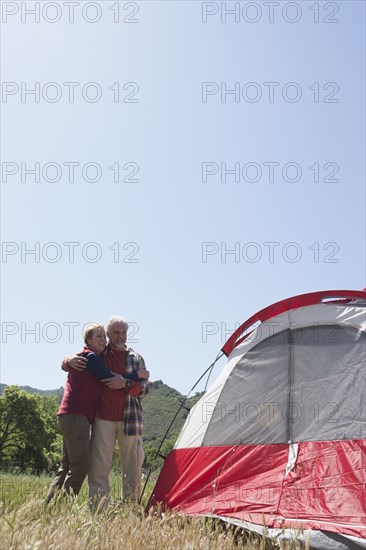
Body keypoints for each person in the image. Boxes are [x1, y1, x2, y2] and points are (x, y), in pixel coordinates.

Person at [64, 316, 149, 505]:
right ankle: (99, 506)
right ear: (108, 334)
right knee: (98, 467)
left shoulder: (136, 358)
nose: (120, 336)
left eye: (123, 332)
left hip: (130, 419)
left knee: (132, 467)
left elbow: (144, 389)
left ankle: (129, 506)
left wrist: (124, 383)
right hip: (102, 418)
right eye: (115, 333)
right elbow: (77, 358)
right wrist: (67, 360)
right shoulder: (100, 354)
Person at [46, 323, 120, 502]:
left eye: (104, 336)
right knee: (81, 466)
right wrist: (134, 379)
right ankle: (60, 508)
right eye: (99, 336)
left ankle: (49, 508)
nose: (104, 339)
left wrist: (66, 360)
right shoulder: (90, 357)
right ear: (88, 340)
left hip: (70, 416)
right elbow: (108, 377)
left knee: (67, 465)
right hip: (76, 416)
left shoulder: (88, 356)